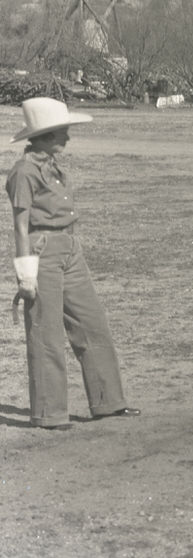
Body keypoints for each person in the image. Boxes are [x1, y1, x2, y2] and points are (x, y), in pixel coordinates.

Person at [7, 97, 139, 430]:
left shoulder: (54, 166)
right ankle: (50, 414)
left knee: (92, 323)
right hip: (42, 251)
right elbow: (21, 226)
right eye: (63, 132)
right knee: (46, 332)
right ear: (46, 135)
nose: (68, 138)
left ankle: (108, 402)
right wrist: (26, 275)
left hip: (70, 248)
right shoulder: (24, 172)